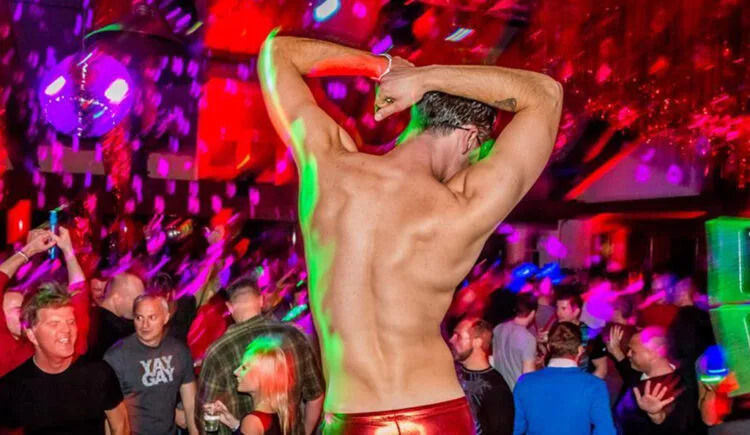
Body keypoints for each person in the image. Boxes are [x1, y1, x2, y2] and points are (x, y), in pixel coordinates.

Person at [259, 32, 562, 432]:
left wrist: (384, 67)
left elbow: (278, 52)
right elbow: (546, 95)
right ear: (471, 137)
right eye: (479, 153)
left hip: (348, 416)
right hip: (433, 413)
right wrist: (426, 78)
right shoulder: (463, 205)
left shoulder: (329, 168)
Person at [196, 278, 325, 435]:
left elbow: (204, 416)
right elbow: (315, 395)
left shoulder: (218, 351)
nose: (238, 371)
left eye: (243, 367)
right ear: (261, 300)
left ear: (229, 307)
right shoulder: (294, 337)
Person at [0, 282, 129, 434]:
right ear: (32, 335)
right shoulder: (13, 387)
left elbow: (120, 425)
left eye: (71, 322)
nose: (66, 330)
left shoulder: (98, 373)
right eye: (54, 324)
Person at [104, 293, 199, 435]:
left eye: (152, 317)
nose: (145, 325)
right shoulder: (116, 357)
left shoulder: (179, 351)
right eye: (139, 318)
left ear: (166, 318)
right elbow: (110, 417)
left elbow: (191, 405)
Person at [0, 228, 89, 377]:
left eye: (24, 306)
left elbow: (79, 294)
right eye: (16, 309)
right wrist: (29, 250)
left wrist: (68, 250)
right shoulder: (6, 351)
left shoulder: (59, 343)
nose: (24, 312)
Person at [513, 322, 616, 435]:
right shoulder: (595, 386)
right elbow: (606, 431)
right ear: (580, 350)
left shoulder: (524, 382)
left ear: (548, 348)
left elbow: (515, 428)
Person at [610, 326, 704, 434]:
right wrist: (616, 352)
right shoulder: (642, 372)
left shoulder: (676, 389)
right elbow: (630, 374)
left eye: (633, 351)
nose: (628, 354)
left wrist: (657, 416)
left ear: (654, 354)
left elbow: (677, 427)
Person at [208, 335, 296, 435]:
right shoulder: (281, 412)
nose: (235, 372)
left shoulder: (253, 421)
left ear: (262, 377)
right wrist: (233, 424)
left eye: (244, 368)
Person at [450, 318, 514, 435]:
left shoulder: (496, 388)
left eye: (458, 336)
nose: (451, 340)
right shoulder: (452, 373)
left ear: (477, 342)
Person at [88, 271, 145, 359]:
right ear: (117, 298)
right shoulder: (119, 332)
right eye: (136, 300)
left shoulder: (90, 317)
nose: (142, 305)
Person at [555, 292, 608, 378]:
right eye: (557, 308)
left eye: (563, 308)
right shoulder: (555, 330)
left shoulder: (591, 335)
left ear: (576, 311)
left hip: (580, 381)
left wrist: (587, 385)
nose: (558, 312)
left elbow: (602, 369)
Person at [493, 293, 539, 390]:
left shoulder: (498, 328)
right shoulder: (528, 338)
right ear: (532, 313)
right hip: (517, 392)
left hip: (500, 391)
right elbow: (528, 379)